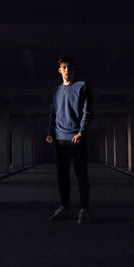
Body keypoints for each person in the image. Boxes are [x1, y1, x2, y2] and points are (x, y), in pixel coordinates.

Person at [46, 55, 92, 224]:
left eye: (70, 68)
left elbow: (87, 112)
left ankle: (84, 210)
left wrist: (82, 132)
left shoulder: (83, 87)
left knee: (81, 175)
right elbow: (53, 112)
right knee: (62, 176)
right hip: (59, 138)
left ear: (74, 70)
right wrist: (50, 131)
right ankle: (64, 207)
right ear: (60, 70)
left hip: (76, 138)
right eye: (64, 67)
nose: (67, 71)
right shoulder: (56, 90)